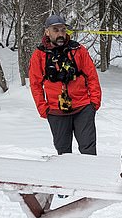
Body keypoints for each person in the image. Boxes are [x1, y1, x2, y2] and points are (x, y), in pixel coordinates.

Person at [29, 14, 102, 155]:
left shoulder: (78, 50)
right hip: (56, 110)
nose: (60, 34)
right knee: (63, 152)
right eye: (56, 30)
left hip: (83, 107)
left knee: (88, 150)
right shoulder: (39, 55)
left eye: (63, 30)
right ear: (47, 32)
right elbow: (35, 84)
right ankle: (67, 177)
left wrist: (94, 102)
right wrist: (43, 108)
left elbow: (92, 77)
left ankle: (90, 176)